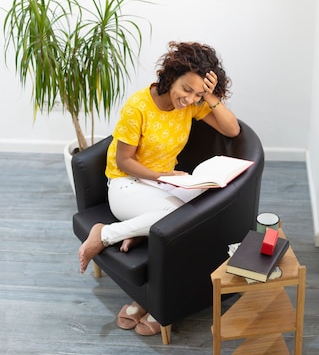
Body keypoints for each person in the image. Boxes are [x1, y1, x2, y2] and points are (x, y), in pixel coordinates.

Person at [78, 41, 240, 336]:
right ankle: (106, 234)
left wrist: (211, 95)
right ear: (171, 77)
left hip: (163, 185)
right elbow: (123, 161)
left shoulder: (190, 106)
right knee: (180, 218)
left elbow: (232, 130)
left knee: (194, 218)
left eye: (196, 93)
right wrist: (161, 176)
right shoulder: (138, 106)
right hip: (127, 185)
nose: (189, 99)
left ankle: (144, 271)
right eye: (185, 89)